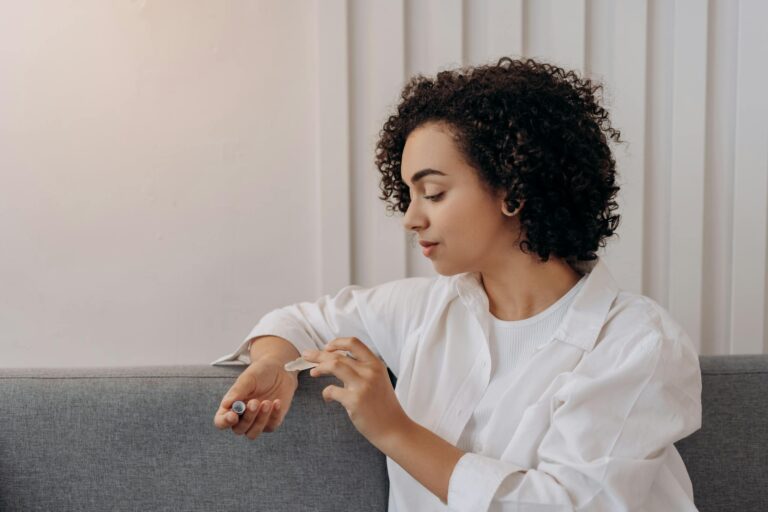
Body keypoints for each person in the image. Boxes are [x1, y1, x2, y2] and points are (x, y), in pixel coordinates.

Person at [211, 57, 702, 511]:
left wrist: (394, 429)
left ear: (513, 191)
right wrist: (275, 362)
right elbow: (297, 321)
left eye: (433, 193)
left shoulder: (636, 344)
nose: (409, 218)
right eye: (407, 194)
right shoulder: (423, 310)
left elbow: (569, 505)